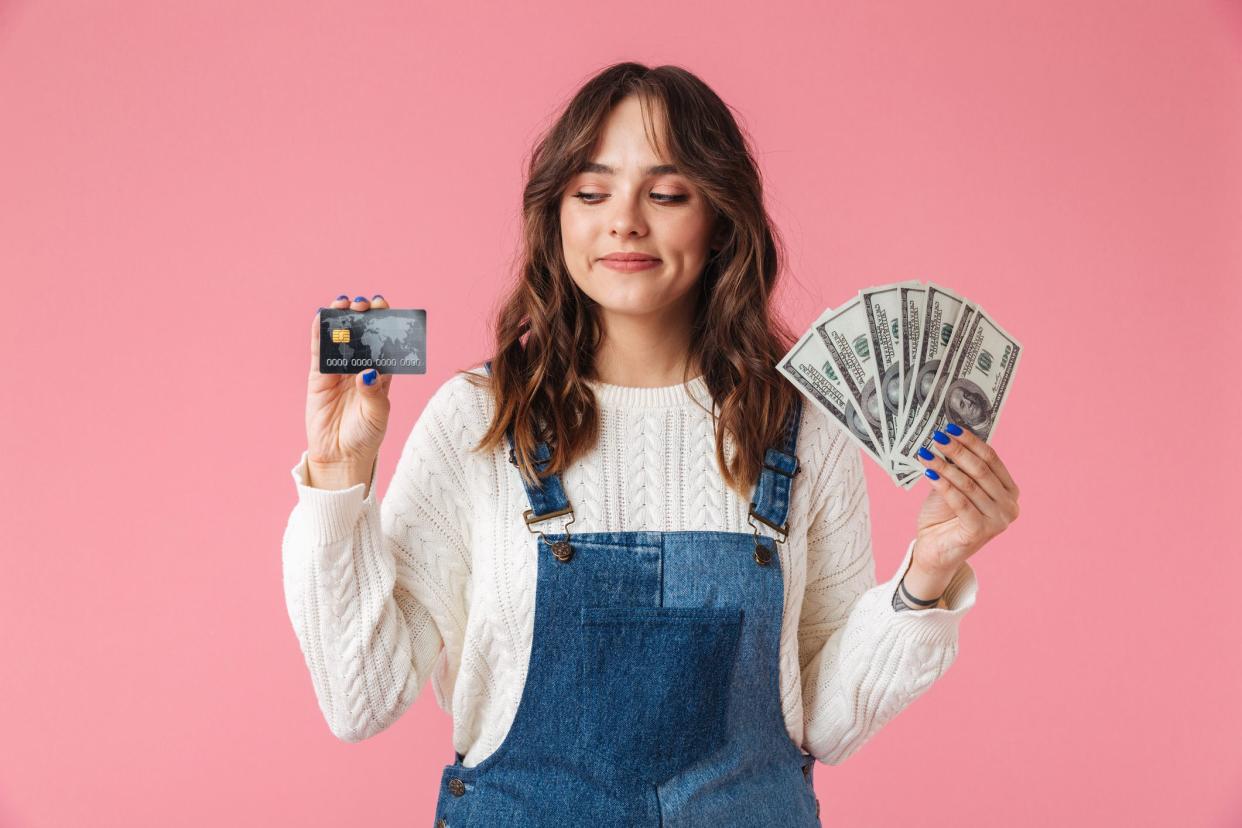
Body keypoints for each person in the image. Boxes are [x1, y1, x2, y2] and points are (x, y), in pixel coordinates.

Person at [282, 62, 1020, 827]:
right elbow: (358, 701)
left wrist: (928, 574)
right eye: (591, 193)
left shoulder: (802, 427)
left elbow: (825, 724)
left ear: (722, 220)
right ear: (555, 217)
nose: (624, 222)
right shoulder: (479, 420)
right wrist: (338, 477)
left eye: (666, 195)